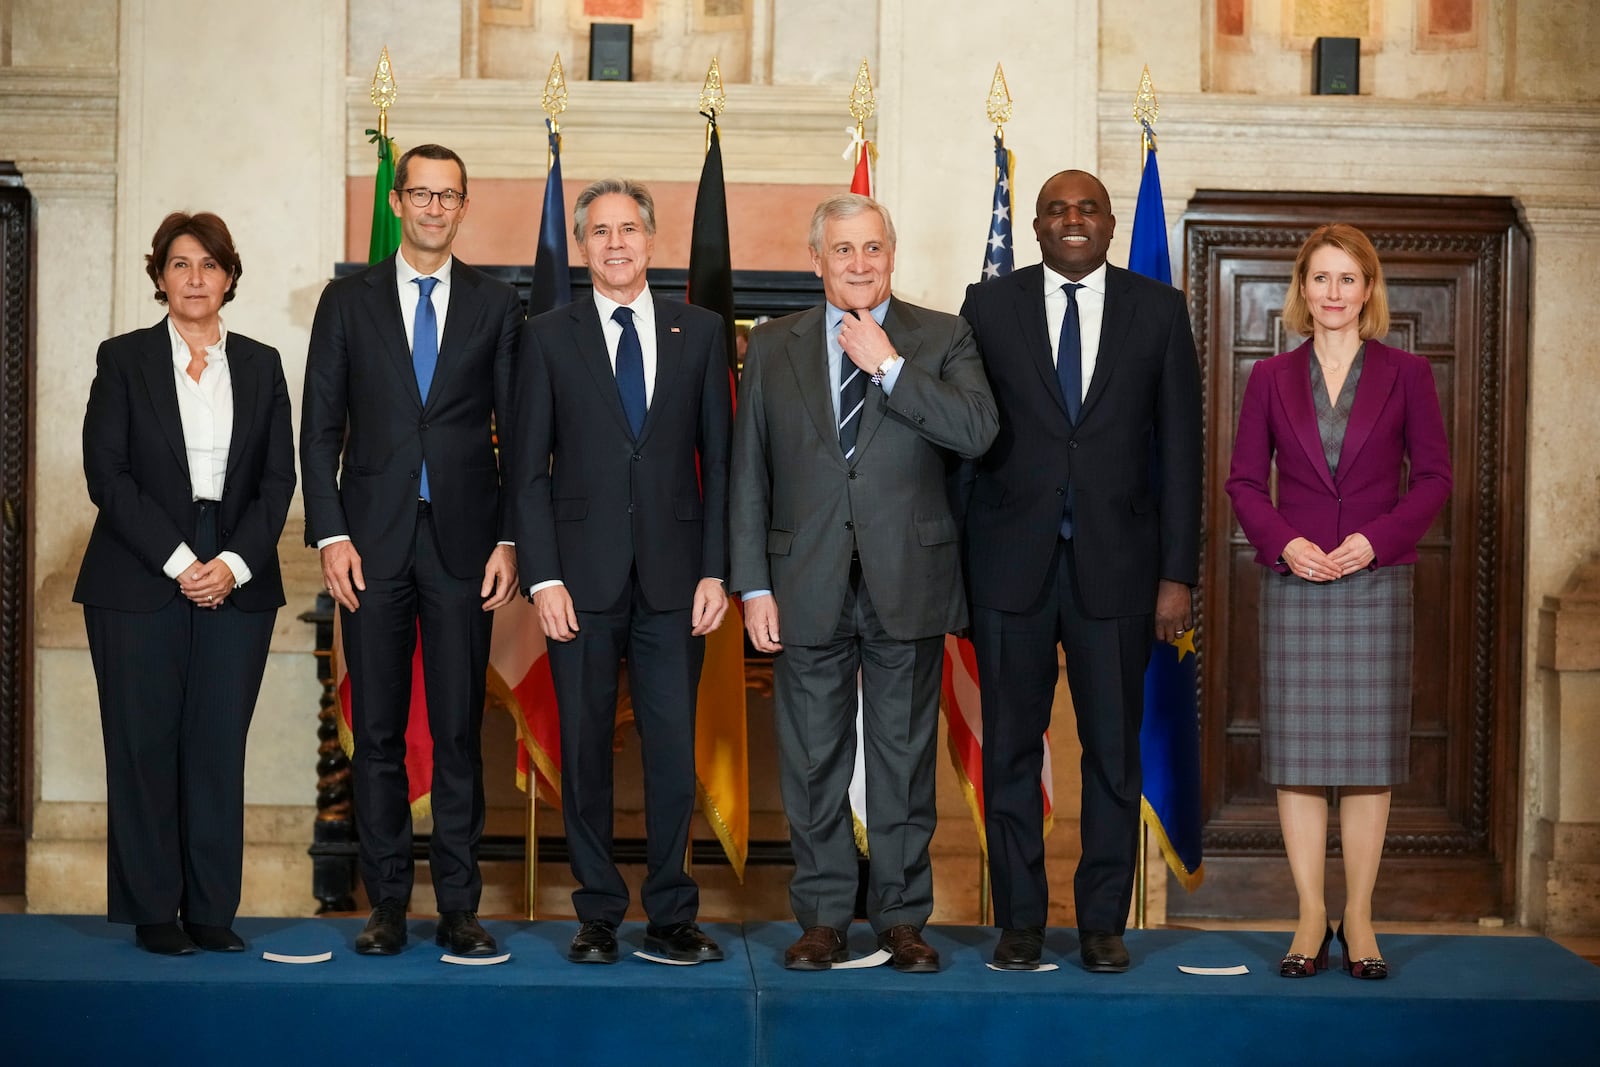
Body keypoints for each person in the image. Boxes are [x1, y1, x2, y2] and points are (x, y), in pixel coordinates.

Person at [730, 193, 997, 973]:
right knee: (812, 759)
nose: (859, 263)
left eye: (872, 248)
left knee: (902, 758)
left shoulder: (941, 335)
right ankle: (821, 918)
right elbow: (750, 473)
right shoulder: (771, 343)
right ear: (817, 259)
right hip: (800, 580)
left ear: (891, 254)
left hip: (907, 578)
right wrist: (752, 585)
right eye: (842, 250)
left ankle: (902, 918)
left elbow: (977, 432)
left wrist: (887, 365)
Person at [959, 169, 1202, 973]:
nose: (1073, 220)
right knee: (1011, 756)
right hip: (1006, 573)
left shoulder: (1159, 310)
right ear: (1033, 226)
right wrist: (958, 573)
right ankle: (1021, 922)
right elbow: (964, 447)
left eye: (1087, 208)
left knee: (1112, 755)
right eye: (1057, 209)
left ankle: (1103, 923)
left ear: (1107, 223)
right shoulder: (989, 306)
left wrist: (1177, 575)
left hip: (1122, 575)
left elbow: (1180, 452)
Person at [300, 144, 524, 957]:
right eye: (420, 193)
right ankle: (387, 902)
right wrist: (329, 533)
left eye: (448, 196)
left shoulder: (498, 304)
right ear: (397, 202)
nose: (433, 207)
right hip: (369, 545)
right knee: (382, 732)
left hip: (466, 546)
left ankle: (460, 906)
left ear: (464, 208)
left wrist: (510, 538)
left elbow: (520, 431)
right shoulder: (346, 301)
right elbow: (319, 427)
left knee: (462, 731)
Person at [513, 178, 731, 965]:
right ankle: (599, 911)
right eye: (599, 231)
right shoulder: (545, 335)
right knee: (585, 749)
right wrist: (542, 579)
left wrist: (717, 570)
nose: (615, 243)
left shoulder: (700, 331)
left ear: (651, 239)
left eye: (629, 229)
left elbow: (724, 460)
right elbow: (527, 473)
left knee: (674, 748)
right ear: (581, 246)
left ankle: (672, 913)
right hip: (578, 581)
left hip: (680, 583)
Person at [1225, 223, 1450, 980]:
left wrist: (1377, 541)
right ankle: (1309, 913)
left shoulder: (1408, 373)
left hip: (1374, 582)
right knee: (1298, 759)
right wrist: (1284, 542)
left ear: (1368, 289)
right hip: (1296, 580)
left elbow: (1435, 480)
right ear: (1302, 288)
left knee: (1364, 761)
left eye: (1347, 279)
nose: (1333, 293)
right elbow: (1245, 483)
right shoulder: (1268, 377)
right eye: (1320, 278)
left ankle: (1358, 916)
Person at [75, 212, 295, 955]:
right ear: (159, 277)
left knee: (214, 743)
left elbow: (277, 480)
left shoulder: (263, 364)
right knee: (143, 744)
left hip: (237, 563)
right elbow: (107, 473)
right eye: (179, 264)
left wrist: (231, 564)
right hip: (140, 568)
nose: (195, 277)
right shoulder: (124, 358)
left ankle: (209, 908)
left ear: (230, 275)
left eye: (208, 264)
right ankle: (151, 910)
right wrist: (180, 562)